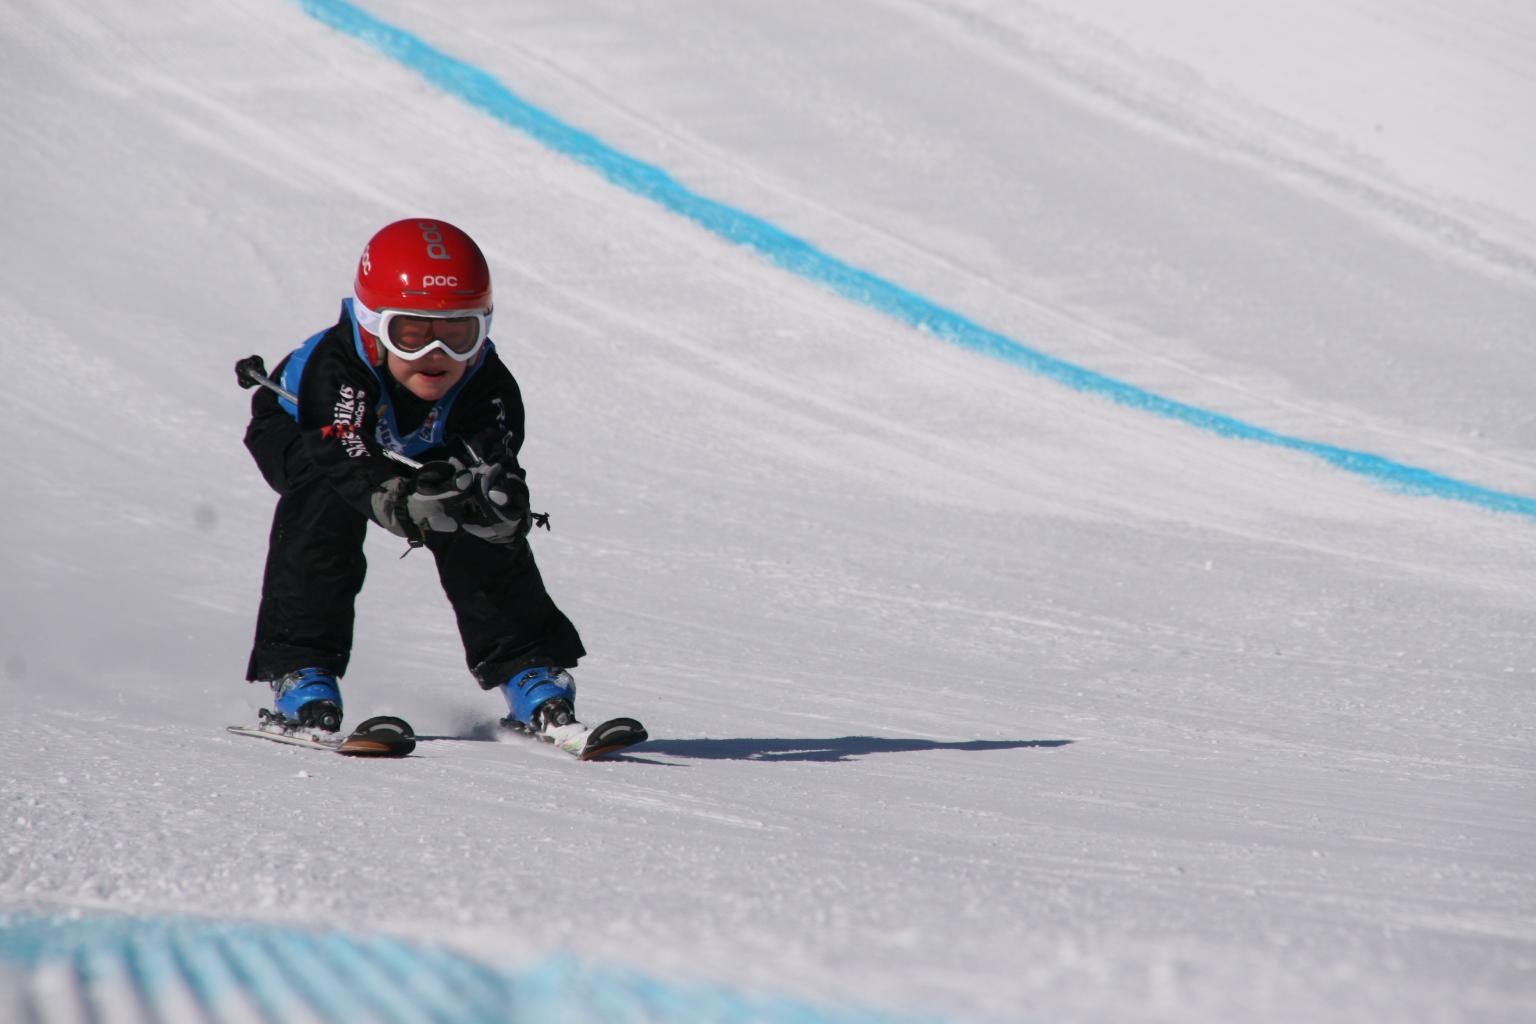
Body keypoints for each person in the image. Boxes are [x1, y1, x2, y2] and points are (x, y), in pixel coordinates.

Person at [242, 218, 585, 738]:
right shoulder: (339, 369)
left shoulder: (485, 382)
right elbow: (344, 452)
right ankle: (299, 668)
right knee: (325, 497)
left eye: (457, 333)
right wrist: (399, 503)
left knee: (471, 508)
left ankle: (524, 666)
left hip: (407, 443)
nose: (437, 355)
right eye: (413, 332)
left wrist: (500, 500)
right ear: (372, 325)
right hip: (304, 431)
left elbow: (493, 451)